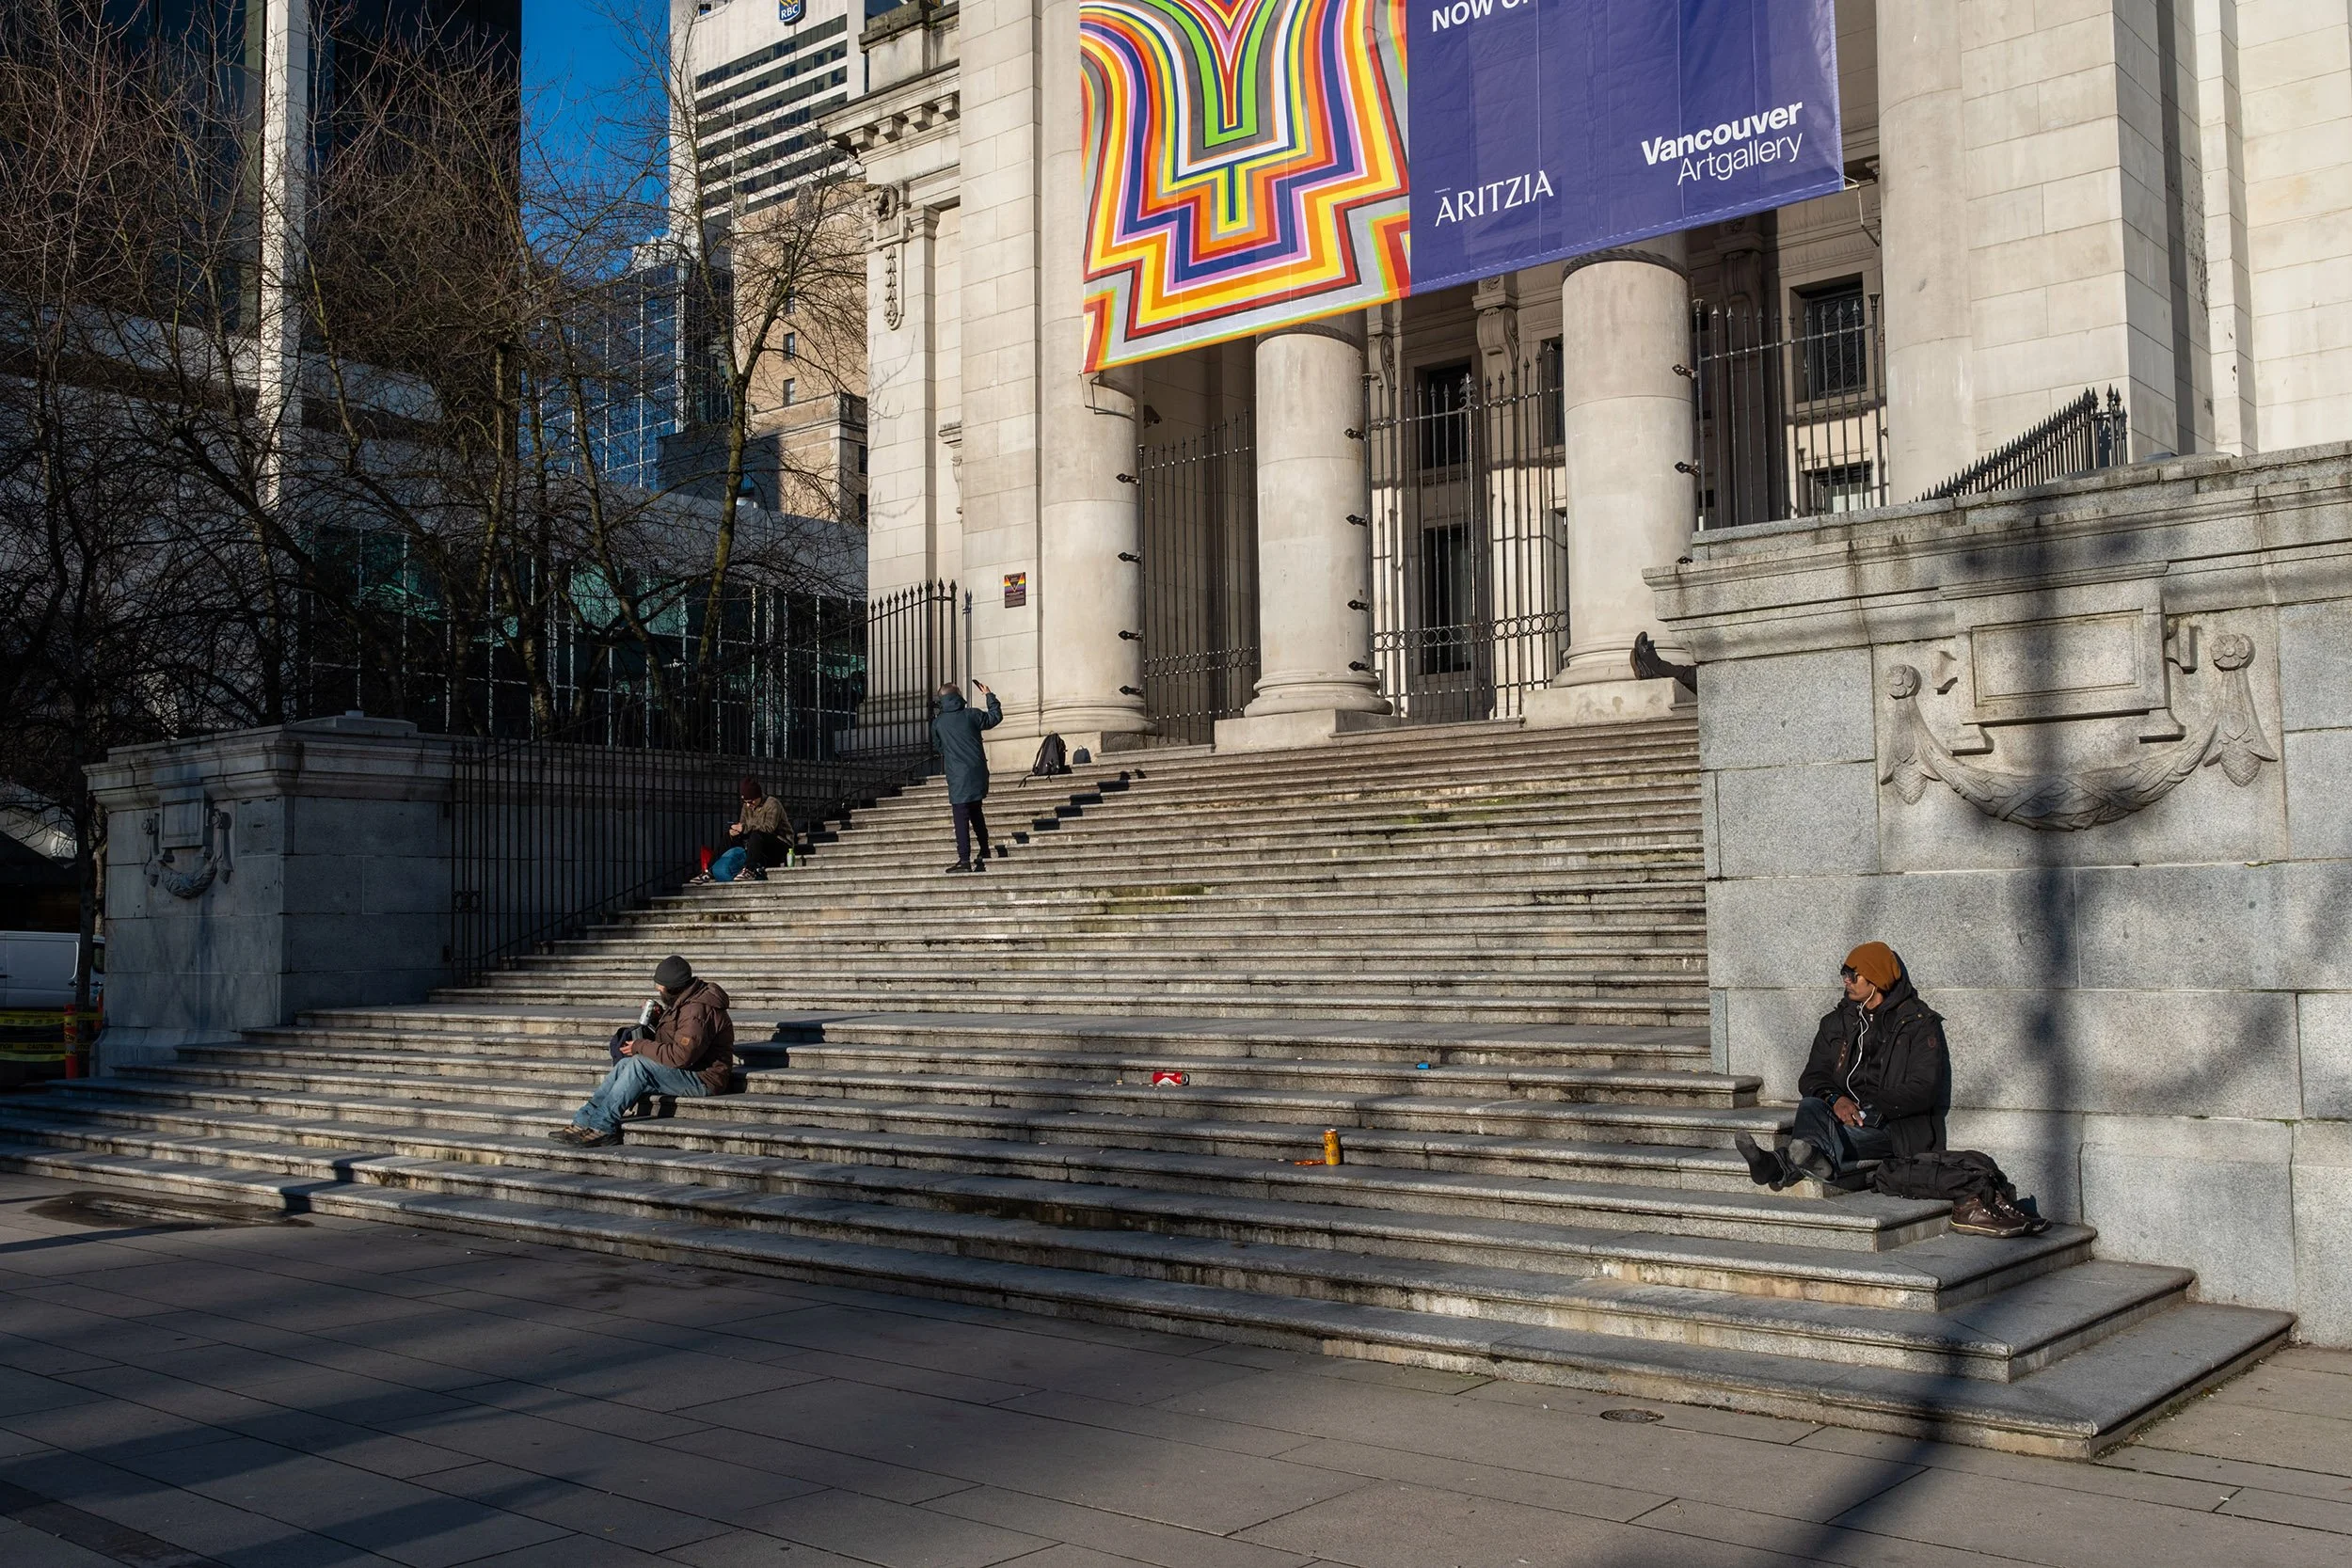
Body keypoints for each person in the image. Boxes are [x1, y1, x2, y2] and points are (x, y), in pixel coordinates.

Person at [1735, 941, 1949, 1191]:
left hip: (1893, 1127)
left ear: (1876, 980)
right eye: (1844, 974)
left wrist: (1869, 1112)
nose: (1845, 981)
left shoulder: (1918, 1024)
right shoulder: (1836, 1022)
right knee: (1811, 1105)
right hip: (1839, 1117)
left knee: (1824, 1136)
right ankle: (1815, 1161)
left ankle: (1777, 1165)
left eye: (1852, 975)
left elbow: (1924, 1087)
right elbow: (1812, 1076)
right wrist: (1836, 1100)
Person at [549, 955, 736, 1147]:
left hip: (704, 1079)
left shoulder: (697, 1010)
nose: (658, 989)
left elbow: (681, 1056)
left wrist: (640, 1046)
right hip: (691, 1069)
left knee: (639, 1065)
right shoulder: (686, 1001)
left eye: (661, 986)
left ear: (673, 988)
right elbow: (679, 1038)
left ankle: (603, 1126)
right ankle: (584, 1120)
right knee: (624, 1063)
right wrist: (659, 1017)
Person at [932, 679, 1002, 873]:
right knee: (976, 811)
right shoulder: (971, 714)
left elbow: (938, 747)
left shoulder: (938, 723)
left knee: (961, 818)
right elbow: (995, 717)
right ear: (958, 696)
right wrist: (989, 695)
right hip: (978, 772)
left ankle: (964, 860)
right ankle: (985, 849)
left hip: (957, 775)